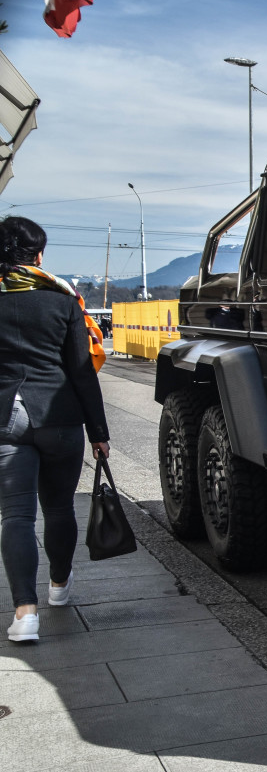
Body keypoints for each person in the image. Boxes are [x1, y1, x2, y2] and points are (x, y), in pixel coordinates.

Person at [0, 216, 111, 642]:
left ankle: (25, 614)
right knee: (60, 507)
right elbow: (82, 372)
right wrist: (98, 430)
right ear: (39, 255)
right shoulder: (64, 302)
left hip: (8, 416)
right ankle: (59, 587)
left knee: (16, 515)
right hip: (60, 415)